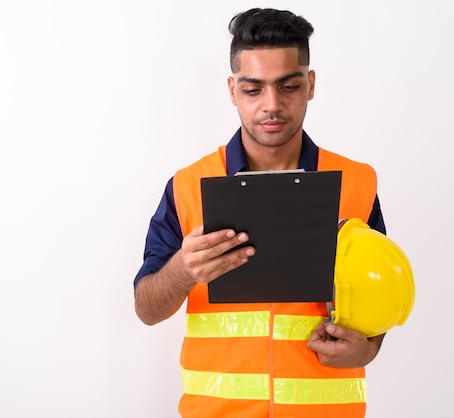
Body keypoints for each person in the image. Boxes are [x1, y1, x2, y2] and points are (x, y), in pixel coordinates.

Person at [133, 7, 387, 418]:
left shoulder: (357, 182)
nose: (272, 105)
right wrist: (183, 269)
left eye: (288, 86)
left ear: (311, 85)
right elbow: (146, 309)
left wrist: (370, 347)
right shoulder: (187, 185)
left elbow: (380, 296)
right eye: (253, 90)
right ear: (232, 90)